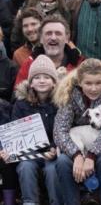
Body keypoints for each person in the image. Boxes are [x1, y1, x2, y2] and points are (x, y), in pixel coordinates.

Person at [53, 59, 101, 205]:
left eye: (98, 83)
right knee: (63, 161)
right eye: (88, 83)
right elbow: (60, 129)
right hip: (76, 143)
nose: (94, 88)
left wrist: (91, 155)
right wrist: (77, 155)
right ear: (79, 82)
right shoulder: (70, 91)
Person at [13, 55, 61, 205]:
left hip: (53, 152)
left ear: (54, 82)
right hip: (30, 152)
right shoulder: (21, 104)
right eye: (37, 77)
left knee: (52, 170)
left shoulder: (60, 103)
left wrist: (54, 148)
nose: (41, 80)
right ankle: (30, 202)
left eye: (46, 77)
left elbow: (64, 129)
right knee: (25, 167)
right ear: (31, 82)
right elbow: (15, 133)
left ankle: (57, 202)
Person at [14, 15, 84, 87]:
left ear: (67, 38)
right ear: (41, 38)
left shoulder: (80, 65)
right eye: (48, 33)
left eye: (58, 33)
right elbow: (18, 94)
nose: (53, 38)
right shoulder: (29, 64)